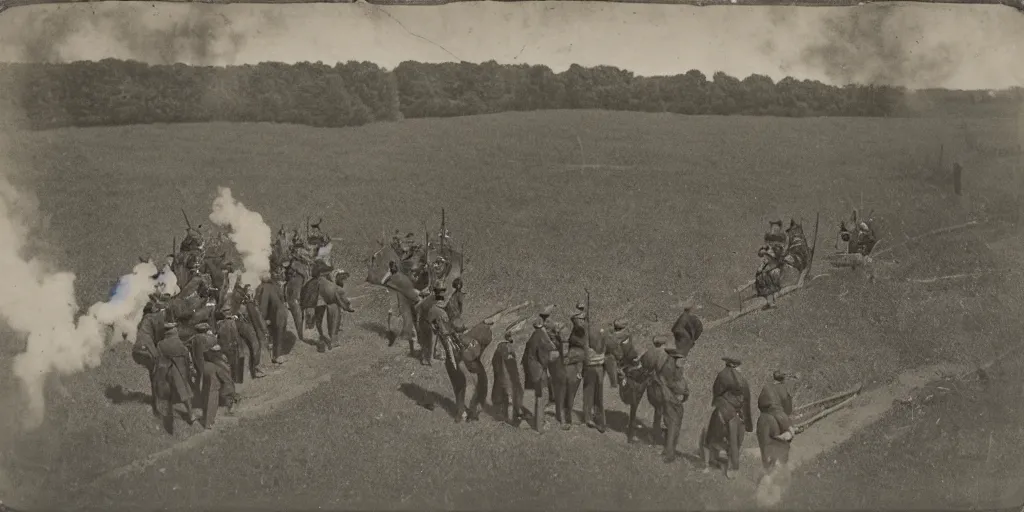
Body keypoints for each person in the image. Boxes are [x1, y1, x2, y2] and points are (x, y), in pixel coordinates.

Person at [701, 357, 753, 478]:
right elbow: (746, 402)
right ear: (735, 366)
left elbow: (716, 391)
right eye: (739, 366)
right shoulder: (743, 380)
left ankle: (707, 465)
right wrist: (748, 423)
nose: (740, 368)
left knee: (710, 438)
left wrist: (717, 402)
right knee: (734, 441)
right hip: (735, 414)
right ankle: (732, 469)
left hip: (721, 411)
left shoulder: (722, 375)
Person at [655, 347, 690, 463]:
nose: (682, 361)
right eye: (680, 358)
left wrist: (685, 391)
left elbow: (679, 381)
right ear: (674, 358)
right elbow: (671, 383)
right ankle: (669, 454)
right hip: (668, 398)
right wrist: (682, 390)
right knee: (672, 425)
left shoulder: (675, 367)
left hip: (672, 398)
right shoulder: (668, 368)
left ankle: (669, 450)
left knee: (674, 424)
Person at [757, 370, 796, 471]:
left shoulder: (766, 387)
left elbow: (760, 404)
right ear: (783, 380)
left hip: (763, 417)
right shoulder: (783, 389)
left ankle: (766, 469)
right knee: (790, 434)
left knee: (764, 452)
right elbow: (788, 410)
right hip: (778, 415)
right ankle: (781, 467)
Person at [522, 319, 555, 432]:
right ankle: (540, 426)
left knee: (538, 395)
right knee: (542, 397)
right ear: (542, 327)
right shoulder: (541, 336)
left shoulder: (533, 336)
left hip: (532, 369)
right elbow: (545, 355)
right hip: (539, 371)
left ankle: (534, 419)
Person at [562, 303, 588, 430]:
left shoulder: (582, 331)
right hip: (573, 360)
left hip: (577, 362)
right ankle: (567, 417)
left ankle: (568, 418)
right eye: (579, 319)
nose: (580, 321)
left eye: (582, 319)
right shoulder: (579, 330)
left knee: (571, 392)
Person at [491, 330, 524, 426]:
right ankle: (510, 420)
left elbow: (495, 364)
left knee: (505, 396)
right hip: (507, 378)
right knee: (510, 397)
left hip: (501, 378)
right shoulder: (508, 352)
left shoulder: (498, 350)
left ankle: (507, 414)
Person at [256, 271, 290, 365]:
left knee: (275, 333)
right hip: (282, 311)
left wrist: (262, 318)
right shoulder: (275, 285)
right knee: (278, 334)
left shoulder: (265, 287)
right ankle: (278, 355)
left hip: (276, 314)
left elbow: (264, 305)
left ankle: (276, 356)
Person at [582, 317, 608, 433]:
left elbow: (584, 358)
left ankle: (588, 418)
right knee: (599, 396)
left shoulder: (588, 346)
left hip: (590, 369)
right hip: (600, 369)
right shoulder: (603, 345)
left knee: (588, 394)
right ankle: (600, 422)